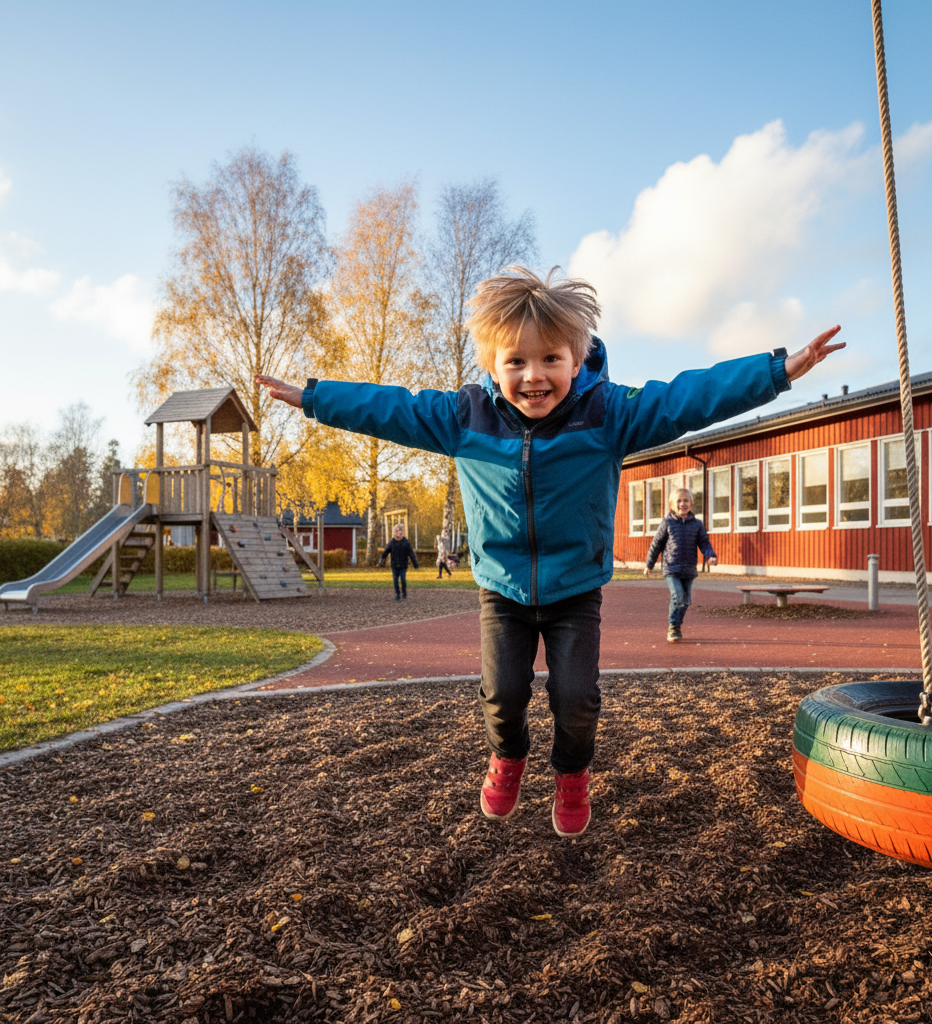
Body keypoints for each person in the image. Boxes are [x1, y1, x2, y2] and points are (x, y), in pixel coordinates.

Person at [257, 266, 844, 838]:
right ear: (493, 365)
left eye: (550, 359)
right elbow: (389, 408)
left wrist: (777, 371)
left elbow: (687, 399)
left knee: (576, 698)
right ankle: (508, 756)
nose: (533, 376)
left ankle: (571, 775)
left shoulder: (608, 413)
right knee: (503, 694)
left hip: (574, 590)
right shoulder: (464, 417)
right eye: (515, 361)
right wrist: (315, 397)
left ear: (577, 358)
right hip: (503, 589)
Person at [644, 488, 716, 642]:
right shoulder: (667, 522)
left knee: (685, 601)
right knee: (678, 596)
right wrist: (649, 564)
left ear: (691, 504)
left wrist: (710, 556)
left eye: (686, 501)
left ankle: (677, 624)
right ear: (672, 505)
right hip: (671, 567)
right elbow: (656, 544)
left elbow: (704, 542)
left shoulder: (697, 524)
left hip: (689, 568)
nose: (682, 504)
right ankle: (673, 626)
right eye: (679, 501)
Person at [378, 523, 419, 601]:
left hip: (403, 565)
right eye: (396, 531)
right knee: (395, 580)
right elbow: (385, 552)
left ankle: (404, 592)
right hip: (394, 565)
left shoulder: (405, 542)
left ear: (402, 532)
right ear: (394, 532)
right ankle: (397, 594)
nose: (398, 533)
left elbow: (411, 553)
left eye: (400, 531)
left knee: (403, 579)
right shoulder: (392, 542)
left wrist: (415, 564)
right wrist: (381, 560)